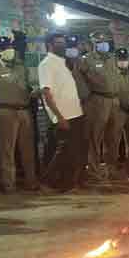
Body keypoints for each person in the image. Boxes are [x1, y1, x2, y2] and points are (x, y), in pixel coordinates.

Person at [0, 37, 38, 192]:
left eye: (10, 46)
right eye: (4, 48)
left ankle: (31, 182)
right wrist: (2, 101)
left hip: (24, 111)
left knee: (28, 149)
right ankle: (9, 185)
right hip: (5, 112)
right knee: (7, 151)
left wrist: (34, 91)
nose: (8, 49)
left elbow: (31, 86)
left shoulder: (22, 67)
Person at [39, 33, 86, 191]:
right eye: (59, 43)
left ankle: (69, 183)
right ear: (50, 45)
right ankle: (48, 183)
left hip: (75, 113)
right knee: (61, 153)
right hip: (64, 116)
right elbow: (46, 93)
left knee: (73, 153)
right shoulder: (47, 64)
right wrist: (59, 117)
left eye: (63, 42)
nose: (63, 45)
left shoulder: (63, 63)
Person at [76, 31, 119, 182]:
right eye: (100, 42)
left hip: (114, 100)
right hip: (97, 100)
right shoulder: (86, 60)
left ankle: (111, 169)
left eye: (105, 41)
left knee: (113, 137)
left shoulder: (113, 58)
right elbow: (79, 80)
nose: (103, 44)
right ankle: (94, 171)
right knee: (95, 138)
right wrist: (86, 98)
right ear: (93, 44)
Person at [113, 47, 129, 181]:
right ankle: (114, 171)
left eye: (124, 58)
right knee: (114, 141)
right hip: (118, 111)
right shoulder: (111, 73)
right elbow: (111, 93)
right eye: (120, 59)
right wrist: (122, 105)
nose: (123, 61)